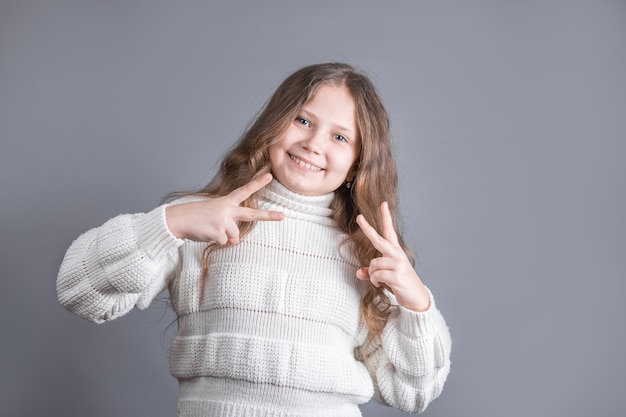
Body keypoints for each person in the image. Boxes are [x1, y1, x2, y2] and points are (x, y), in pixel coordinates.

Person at [57, 62, 451, 416]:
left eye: (340, 138)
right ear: (273, 125)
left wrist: (416, 305)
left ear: (355, 167)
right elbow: (78, 290)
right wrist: (171, 223)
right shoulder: (203, 220)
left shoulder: (364, 254)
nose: (313, 144)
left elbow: (410, 393)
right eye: (302, 120)